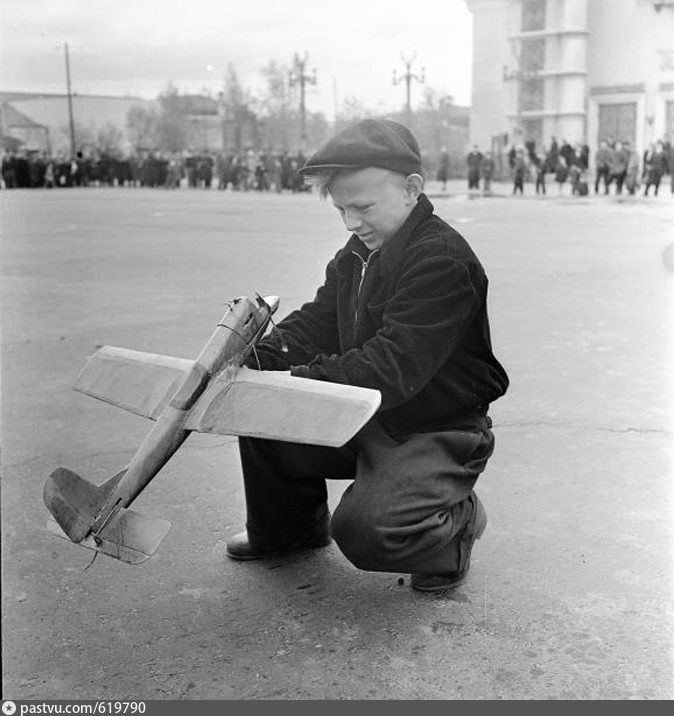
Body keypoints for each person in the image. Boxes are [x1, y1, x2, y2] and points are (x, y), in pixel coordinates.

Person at [225, 119, 509, 592]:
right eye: (340, 210)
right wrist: (258, 360)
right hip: (370, 407)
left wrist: (295, 378)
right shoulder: (357, 251)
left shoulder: (441, 260)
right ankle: (288, 530)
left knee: (366, 532)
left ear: (411, 189)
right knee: (262, 405)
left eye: (362, 207)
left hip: (434, 427)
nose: (351, 222)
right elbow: (318, 322)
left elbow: (391, 366)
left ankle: (455, 525)